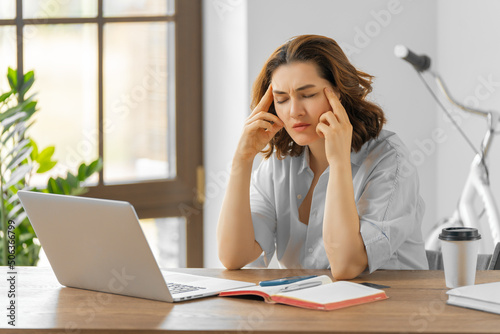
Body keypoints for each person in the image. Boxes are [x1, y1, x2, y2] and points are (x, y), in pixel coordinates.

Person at [217, 34, 428, 279]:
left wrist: (339, 162)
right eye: (282, 99)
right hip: (309, 310)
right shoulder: (279, 164)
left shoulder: (389, 161)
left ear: (337, 92)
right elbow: (233, 256)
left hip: (390, 309)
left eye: (307, 95)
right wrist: (242, 159)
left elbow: (346, 266)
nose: (294, 111)